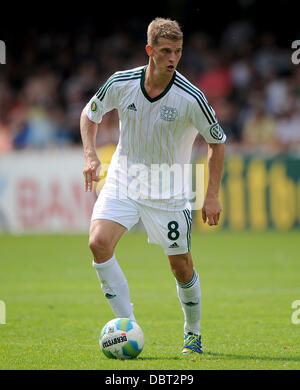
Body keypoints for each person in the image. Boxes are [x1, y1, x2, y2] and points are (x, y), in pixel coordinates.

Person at [80, 18, 226, 355]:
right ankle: (126, 325)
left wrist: (212, 194)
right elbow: (90, 115)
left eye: (177, 51)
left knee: (181, 267)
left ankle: (193, 331)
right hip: (124, 179)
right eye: (165, 51)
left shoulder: (192, 98)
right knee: (98, 243)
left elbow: (217, 142)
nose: (173, 57)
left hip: (169, 191)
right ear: (150, 51)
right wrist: (90, 155)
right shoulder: (122, 82)